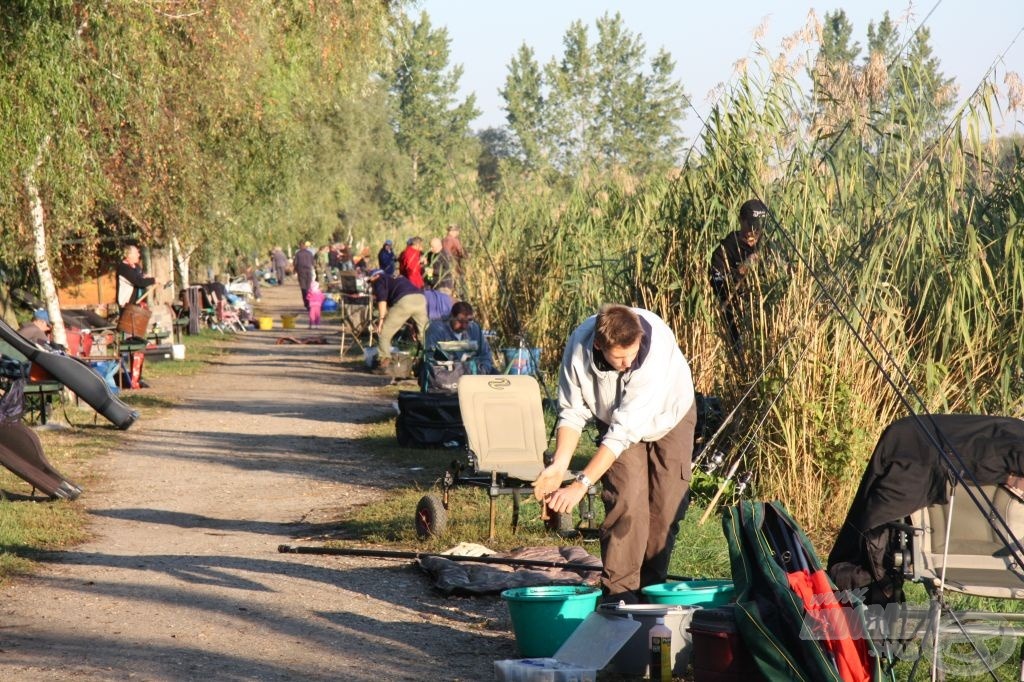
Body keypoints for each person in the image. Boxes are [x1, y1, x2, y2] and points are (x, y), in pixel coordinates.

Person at [532, 304, 697, 603]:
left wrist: (581, 484)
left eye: (632, 354)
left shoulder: (653, 353)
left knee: (664, 509)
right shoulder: (579, 348)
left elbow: (624, 431)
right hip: (614, 419)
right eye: (620, 357)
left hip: (669, 417)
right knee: (626, 501)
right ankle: (619, 599)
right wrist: (559, 466)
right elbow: (572, 412)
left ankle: (650, 595)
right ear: (599, 345)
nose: (627, 362)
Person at [709, 198, 767, 349]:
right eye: (751, 225)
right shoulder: (726, 249)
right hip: (736, 322)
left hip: (764, 322)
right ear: (741, 221)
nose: (754, 231)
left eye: (759, 227)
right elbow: (717, 285)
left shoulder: (767, 246)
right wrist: (741, 271)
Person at [367, 268, 427, 372]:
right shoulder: (395, 279)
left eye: (370, 281)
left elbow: (382, 300)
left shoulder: (379, 280)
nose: (371, 284)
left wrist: (381, 320)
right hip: (421, 299)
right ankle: (431, 361)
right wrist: (414, 326)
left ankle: (383, 362)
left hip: (404, 301)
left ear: (376, 276)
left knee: (384, 333)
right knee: (424, 335)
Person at [423, 301, 496, 375]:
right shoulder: (437, 329)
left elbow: (485, 354)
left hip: (473, 374)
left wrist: (483, 370)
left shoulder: (475, 329)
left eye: (468, 321)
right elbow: (431, 357)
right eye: (460, 321)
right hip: (447, 375)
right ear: (451, 316)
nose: (464, 326)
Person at [116, 243, 157, 310]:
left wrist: (145, 277)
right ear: (129, 255)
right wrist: (154, 280)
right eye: (136, 253)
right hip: (127, 306)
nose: (139, 255)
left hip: (137, 303)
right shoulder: (124, 269)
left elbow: (140, 277)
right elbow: (138, 282)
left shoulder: (136, 266)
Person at [293, 241, 316, 311]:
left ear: (300, 246)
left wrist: (295, 270)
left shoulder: (298, 254)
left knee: (303, 288)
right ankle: (310, 303)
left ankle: (306, 304)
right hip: (308, 271)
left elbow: (295, 263)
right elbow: (313, 263)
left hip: (301, 271)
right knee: (309, 287)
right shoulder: (310, 253)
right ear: (305, 246)